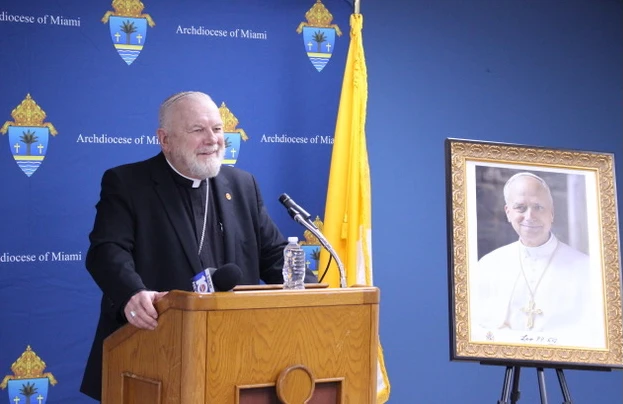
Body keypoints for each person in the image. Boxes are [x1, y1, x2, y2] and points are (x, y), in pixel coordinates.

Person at [80, 91, 317, 401]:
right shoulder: (128, 183)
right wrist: (131, 293)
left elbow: (273, 254)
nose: (212, 139)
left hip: (234, 356)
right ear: (165, 139)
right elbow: (107, 250)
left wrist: (313, 297)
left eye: (217, 129)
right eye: (198, 130)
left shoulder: (243, 185)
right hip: (152, 351)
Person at [470, 172, 604, 347]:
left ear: (552, 213)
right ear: (508, 212)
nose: (529, 216)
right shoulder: (488, 265)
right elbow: (475, 329)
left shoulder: (587, 269)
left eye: (538, 207)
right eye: (520, 208)